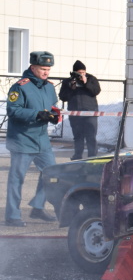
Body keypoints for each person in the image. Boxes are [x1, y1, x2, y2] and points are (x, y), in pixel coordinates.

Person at [5, 51, 60, 226]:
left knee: (52, 174)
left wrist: (53, 115)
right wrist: (37, 114)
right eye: (43, 69)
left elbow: (52, 106)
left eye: (48, 69)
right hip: (22, 139)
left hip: (42, 140)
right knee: (17, 179)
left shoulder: (49, 86)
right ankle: (12, 216)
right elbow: (13, 110)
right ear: (33, 67)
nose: (46, 72)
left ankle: (37, 207)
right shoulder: (20, 86)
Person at [58, 60, 101, 160]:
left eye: (83, 73)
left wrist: (86, 83)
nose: (81, 75)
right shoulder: (67, 81)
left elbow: (96, 91)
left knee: (91, 136)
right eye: (79, 73)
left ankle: (92, 156)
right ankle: (78, 155)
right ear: (74, 72)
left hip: (90, 112)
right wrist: (71, 88)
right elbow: (63, 97)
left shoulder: (91, 79)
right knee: (78, 136)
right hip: (75, 113)